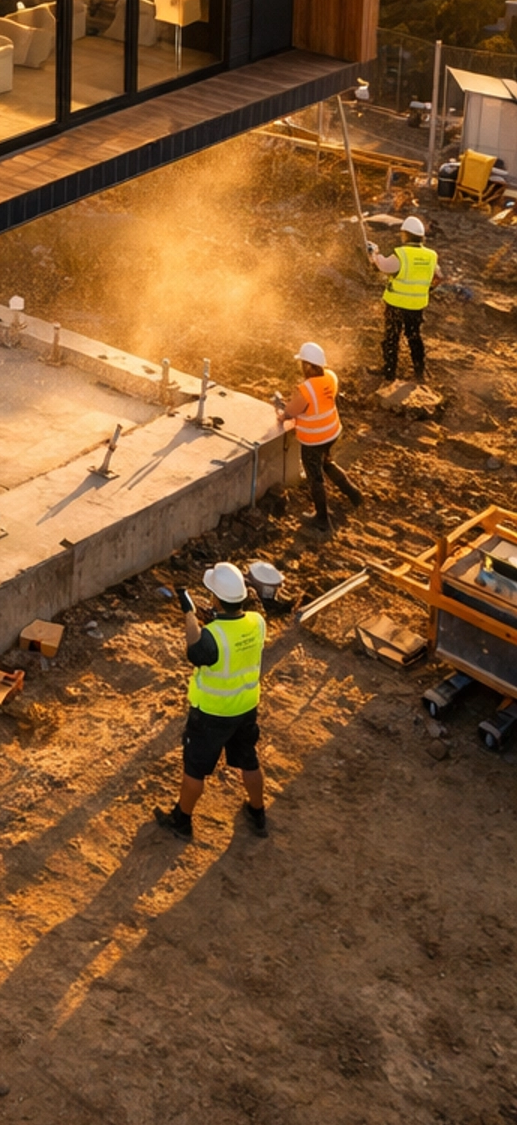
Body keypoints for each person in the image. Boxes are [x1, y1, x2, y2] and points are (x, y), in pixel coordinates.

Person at [156, 561, 269, 842]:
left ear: (217, 598)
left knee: (195, 770)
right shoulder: (257, 622)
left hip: (211, 715)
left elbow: (196, 650)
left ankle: (182, 820)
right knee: (249, 760)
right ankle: (258, 813)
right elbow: (235, 638)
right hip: (245, 708)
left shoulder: (211, 638)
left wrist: (190, 614)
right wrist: (216, 620)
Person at [275, 340, 363, 535]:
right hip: (332, 432)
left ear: (307, 365)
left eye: (302, 364)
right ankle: (355, 495)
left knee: (315, 476)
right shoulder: (331, 378)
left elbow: (293, 411)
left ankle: (322, 518)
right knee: (327, 463)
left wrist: (283, 414)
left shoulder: (306, 389)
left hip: (314, 439)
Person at [372, 215, 438, 382]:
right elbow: (437, 277)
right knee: (414, 337)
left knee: (391, 338)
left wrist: (374, 253)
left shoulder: (401, 254)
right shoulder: (431, 255)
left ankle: (389, 372)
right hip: (417, 306)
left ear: (406, 234)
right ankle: (419, 373)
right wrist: (426, 289)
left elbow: (384, 266)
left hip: (396, 305)